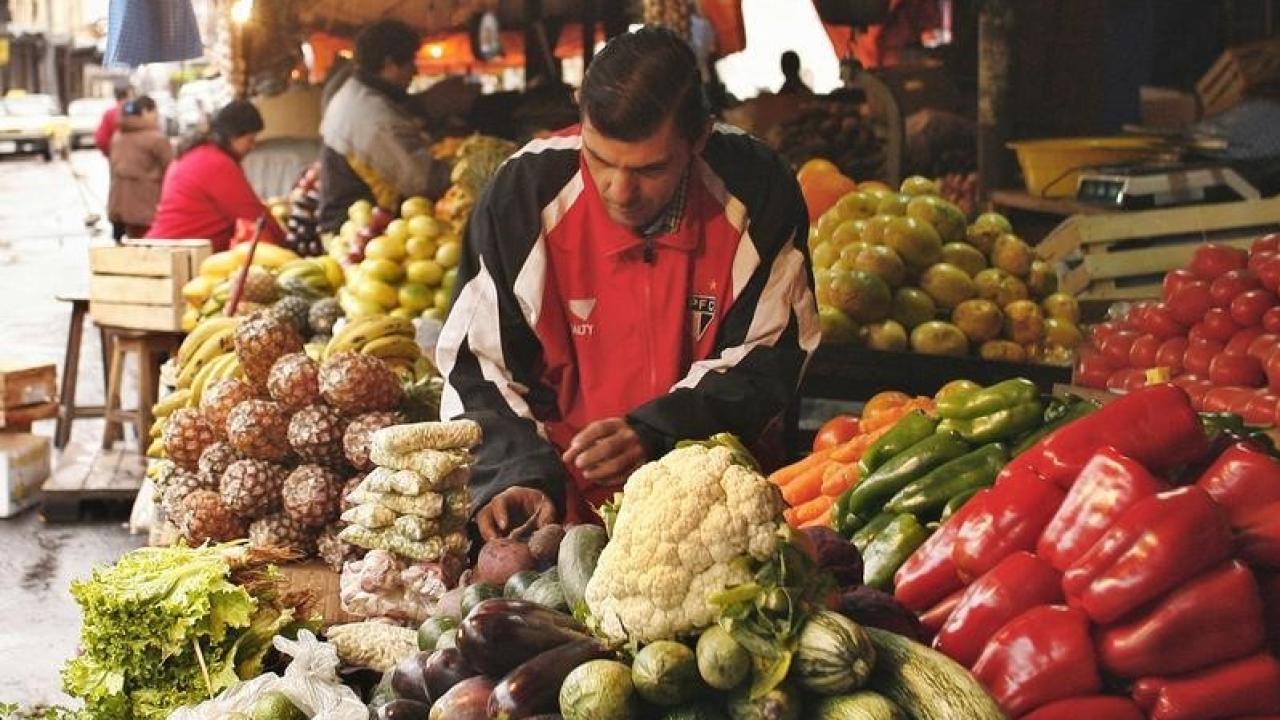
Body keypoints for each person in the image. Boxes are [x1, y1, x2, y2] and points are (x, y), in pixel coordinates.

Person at [437, 27, 820, 539]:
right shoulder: (523, 193)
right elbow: (478, 363)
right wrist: (515, 475)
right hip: (559, 508)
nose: (620, 191)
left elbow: (770, 353)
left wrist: (658, 431)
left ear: (700, 138)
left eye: (651, 169)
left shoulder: (756, 189)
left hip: (718, 511)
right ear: (581, 113)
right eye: (599, 159)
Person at [317, 20, 450, 232]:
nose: (415, 71)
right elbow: (422, 181)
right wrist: (456, 171)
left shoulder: (354, 89)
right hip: (354, 233)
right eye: (410, 62)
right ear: (389, 64)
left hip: (353, 221)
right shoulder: (374, 116)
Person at [146, 100, 284, 251]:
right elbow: (254, 216)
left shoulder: (195, 154)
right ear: (232, 136)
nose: (252, 146)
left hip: (162, 249)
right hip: (176, 256)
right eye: (250, 140)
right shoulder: (217, 163)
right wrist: (290, 246)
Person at [107, 96, 172, 239]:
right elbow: (172, 172)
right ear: (145, 113)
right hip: (149, 210)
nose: (157, 116)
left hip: (121, 210)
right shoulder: (156, 139)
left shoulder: (117, 137)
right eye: (155, 112)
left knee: (134, 252)